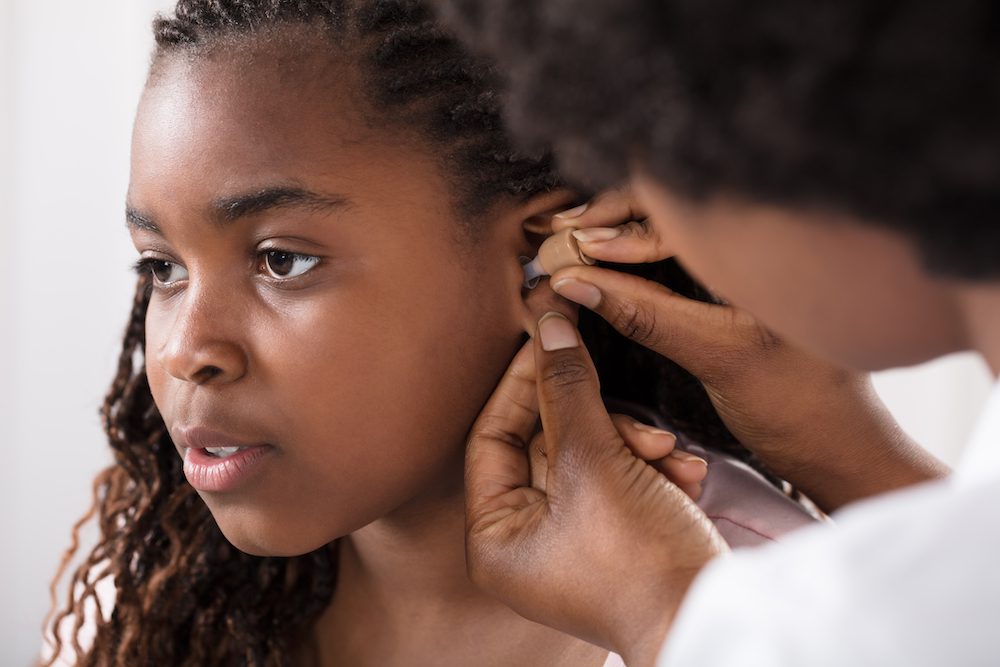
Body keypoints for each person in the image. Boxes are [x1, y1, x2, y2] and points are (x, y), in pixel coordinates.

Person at [35, 1, 854, 665]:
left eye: (282, 260)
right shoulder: (143, 605)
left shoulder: (768, 604)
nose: (182, 351)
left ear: (538, 257)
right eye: (161, 268)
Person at [430, 1, 1000, 665]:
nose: (654, 215)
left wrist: (661, 608)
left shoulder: (832, 627)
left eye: (657, 159)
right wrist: (843, 447)